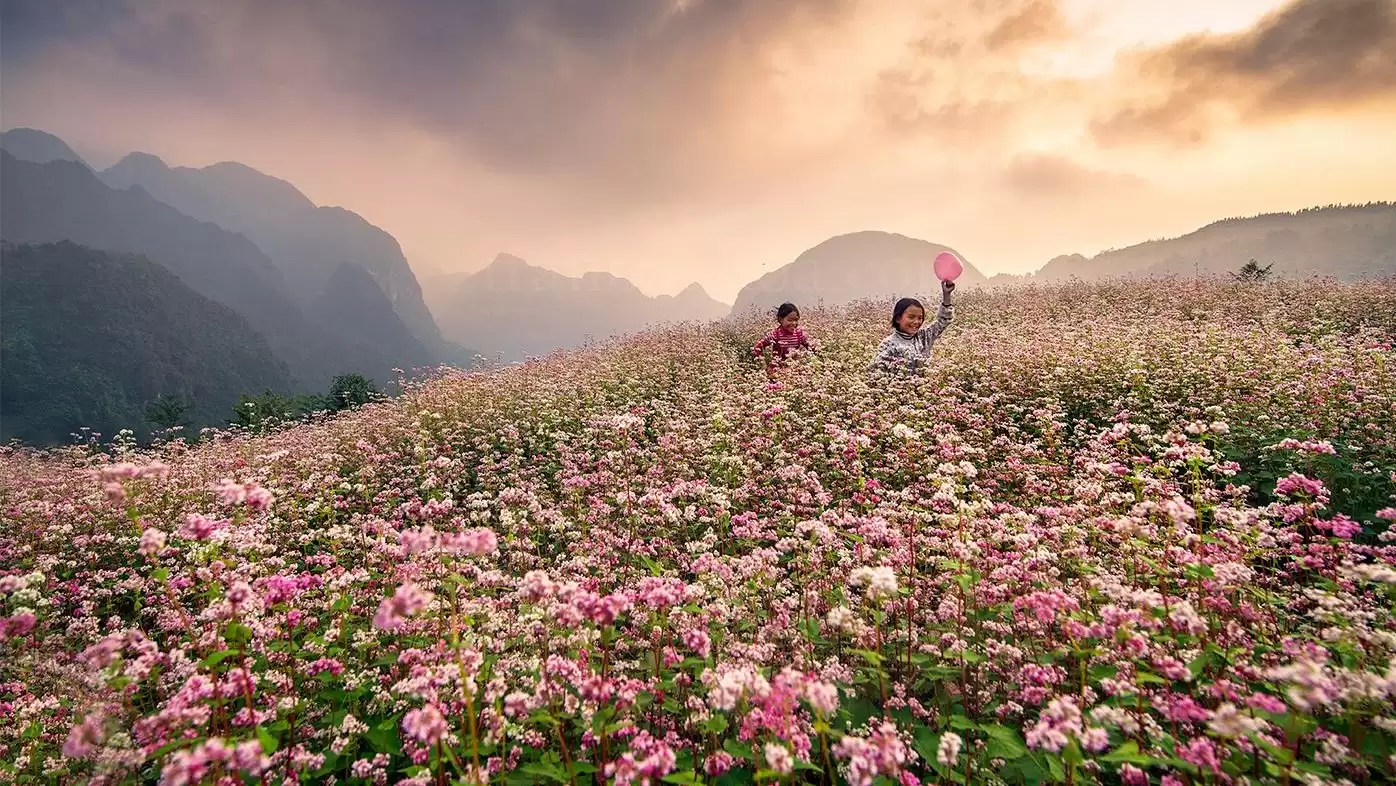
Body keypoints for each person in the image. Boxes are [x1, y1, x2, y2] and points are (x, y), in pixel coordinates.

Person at [870, 281, 955, 374]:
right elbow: (875, 372)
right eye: (911, 317)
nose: (916, 322)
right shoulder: (888, 344)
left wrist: (947, 295)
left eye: (920, 318)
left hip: (925, 386)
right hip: (901, 387)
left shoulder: (924, 337)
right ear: (898, 318)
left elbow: (944, 320)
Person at [753, 303, 812, 378]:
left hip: (794, 372)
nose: (794, 323)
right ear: (781, 320)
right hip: (776, 373)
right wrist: (764, 365)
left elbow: (813, 348)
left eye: (796, 320)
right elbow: (757, 348)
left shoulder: (799, 334)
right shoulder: (775, 334)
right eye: (790, 320)